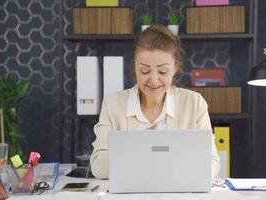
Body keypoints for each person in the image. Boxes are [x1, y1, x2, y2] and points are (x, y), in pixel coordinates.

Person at [90, 24, 220, 180]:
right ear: (135, 68)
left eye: (162, 71)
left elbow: (212, 163)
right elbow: (98, 165)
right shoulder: (113, 105)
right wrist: (142, 151)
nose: (153, 80)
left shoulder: (194, 103)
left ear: (175, 67)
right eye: (144, 71)